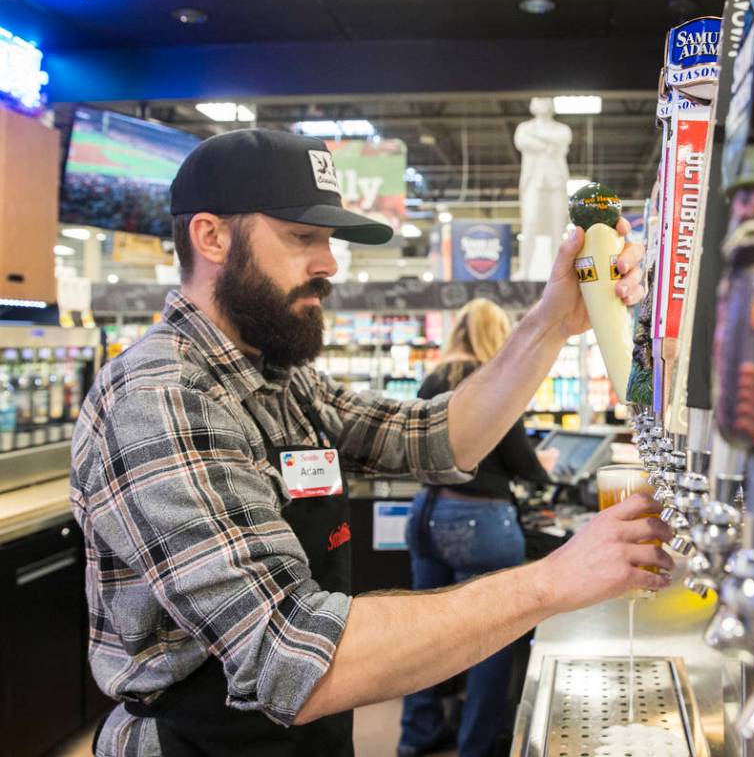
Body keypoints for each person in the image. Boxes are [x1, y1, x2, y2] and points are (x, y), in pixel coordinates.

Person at [70, 128, 671, 757]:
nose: (329, 262)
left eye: (328, 240)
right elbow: (287, 652)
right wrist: (552, 580)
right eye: (303, 237)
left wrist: (554, 320)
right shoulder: (161, 397)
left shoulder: (283, 379)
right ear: (211, 236)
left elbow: (433, 437)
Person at [398, 299, 558, 757]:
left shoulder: (435, 378)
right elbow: (518, 460)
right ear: (497, 334)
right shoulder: (493, 382)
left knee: (424, 631)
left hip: (427, 514)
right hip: (481, 521)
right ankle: (476, 746)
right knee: (490, 634)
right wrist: (542, 467)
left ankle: (418, 734)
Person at [513, 97, 573, 280]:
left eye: (545, 100)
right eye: (538, 99)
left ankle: (556, 272)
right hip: (533, 181)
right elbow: (522, 141)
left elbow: (563, 139)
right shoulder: (524, 128)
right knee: (529, 223)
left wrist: (539, 140)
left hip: (556, 181)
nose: (542, 103)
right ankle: (525, 269)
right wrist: (548, 144)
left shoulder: (562, 129)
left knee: (557, 226)